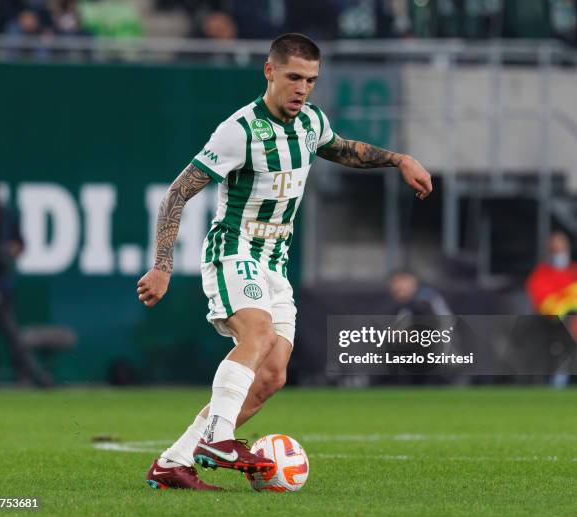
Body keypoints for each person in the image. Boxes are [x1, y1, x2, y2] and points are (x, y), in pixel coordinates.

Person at [136, 32, 433, 491]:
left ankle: (174, 463)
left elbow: (341, 149)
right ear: (269, 71)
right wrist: (162, 265)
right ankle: (218, 438)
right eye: (294, 77)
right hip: (234, 251)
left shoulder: (311, 122)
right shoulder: (240, 130)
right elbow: (178, 192)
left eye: (311, 80)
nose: (302, 88)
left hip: (275, 263)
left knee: (272, 375)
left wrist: (399, 159)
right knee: (258, 332)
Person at [0, 173, 51, 387]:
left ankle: (27, 377)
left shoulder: (5, 214)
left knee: (11, 334)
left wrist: (4, 253)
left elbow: (19, 245)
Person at [526, 231, 577, 387]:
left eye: (562, 249)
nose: (560, 253)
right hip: (554, 324)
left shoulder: (575, 272)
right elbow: (546, 306)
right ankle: (560, 376)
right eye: (556, 249)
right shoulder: (540, 276)